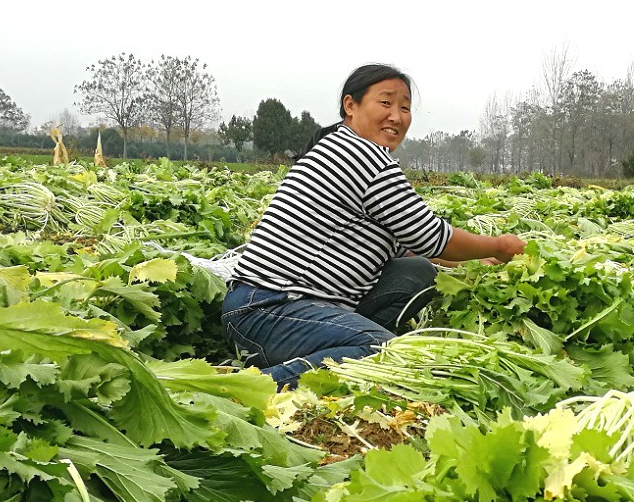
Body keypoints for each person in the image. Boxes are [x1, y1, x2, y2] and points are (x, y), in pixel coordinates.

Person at [222, 64, 527, 387]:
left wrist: (477, 261)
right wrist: (499, 246)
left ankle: (333, 346)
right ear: (350, 106)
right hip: (267, 311)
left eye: (405, 107)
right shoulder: (361, 156)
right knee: (382, 353)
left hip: (278, 311)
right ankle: (246, 388)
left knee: (418, 272)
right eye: (386, 103)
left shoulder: (344, 150)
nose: (396, 116)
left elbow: (412, 245)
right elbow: (432, 238)